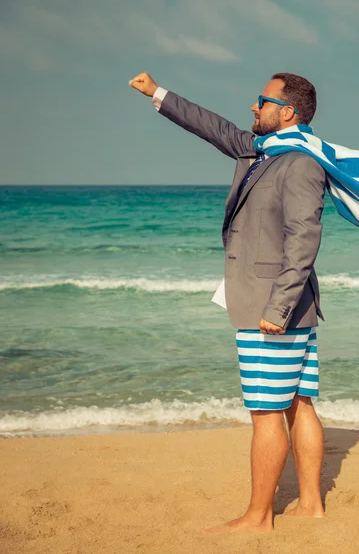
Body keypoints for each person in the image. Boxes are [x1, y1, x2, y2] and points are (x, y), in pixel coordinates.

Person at [129, 71, 327, 533]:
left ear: (288, 111)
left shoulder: (299, 163)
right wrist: (157, 93)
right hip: (290, 303)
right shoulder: (262, 151)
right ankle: (312, 504)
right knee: (299, 402)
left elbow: (303, 240)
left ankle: (259, 517)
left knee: (265, 412)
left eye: (263, 100)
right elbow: (212, 126)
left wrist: (276, 311)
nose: (254, 107)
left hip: (272, 307)